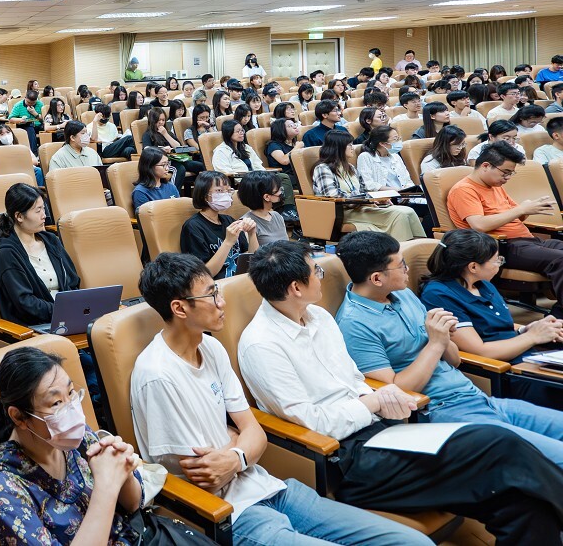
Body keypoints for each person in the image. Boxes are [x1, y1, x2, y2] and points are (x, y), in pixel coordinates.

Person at [240, 239, 563, 544]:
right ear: (296, 288)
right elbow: (313, 423)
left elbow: (354, 379)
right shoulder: (262, 345)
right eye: (316, 271)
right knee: (498, 442)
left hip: (386, 432)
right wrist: (373, 401)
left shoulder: (318, 317)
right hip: (350, 460)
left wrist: (382, 398)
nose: (321, 276)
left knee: (521, 505)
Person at [132, 252, 429, 546]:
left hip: (269, 487)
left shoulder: (211, 348)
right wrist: (240, 440)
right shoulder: (158, 376)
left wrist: (236, 449)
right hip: (231, 514)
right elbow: (207, 474)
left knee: (412, 542)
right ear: (179, 308)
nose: (222, 303)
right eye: (211, 295)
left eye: (217, 291)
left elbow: (254, 433)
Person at [335, 230, 563, 466]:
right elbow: (396, 393)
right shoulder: (355, 324)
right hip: (441, 410)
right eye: (401, 265)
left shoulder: (403, 295)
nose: (408, 269)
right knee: (555, 459)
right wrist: (435, 343)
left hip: (476, 396)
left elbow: (454, 361)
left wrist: (444, 337)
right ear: (376, 279)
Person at [0, 348, 187, 546]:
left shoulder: (75, 438)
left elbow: (133, 504)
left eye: (71, 392)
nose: (71, 409)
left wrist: (123, 471)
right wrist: (106, 486)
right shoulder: (3, 486)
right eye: (56, 403)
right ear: (19, 417)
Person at [419, 228, 563, 408]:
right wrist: (532, 337)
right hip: (503, 370)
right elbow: (480, 351)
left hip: (526, 356)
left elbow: (497, 325)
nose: (499, 264)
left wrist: (527, 329)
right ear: (473, 267)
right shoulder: (440, 295)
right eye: (496, 260)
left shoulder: (483, 285)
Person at [447, 141, 563, 319]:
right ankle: (559, 316)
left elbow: (516, 216)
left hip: (527, 241)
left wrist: (528, 209)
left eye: (511, 173)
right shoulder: (464, 190)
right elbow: (479, 225)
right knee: (561, 260)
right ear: (486, 166)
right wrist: (521, 209)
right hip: (501, 246)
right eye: (505, 172)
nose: (508, 178)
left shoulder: (495, 187)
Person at [0, 183, 83, 328]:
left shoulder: (51, 241)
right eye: (38, 211)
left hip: (66, 317)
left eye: (43, 208)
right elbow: (25, 303)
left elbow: (72, 282)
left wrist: (78, 308)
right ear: (19, 216)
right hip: (35, 326)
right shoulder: (8, 253)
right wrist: (63, 310)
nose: (44, 215)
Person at [313, 130, 425, 241]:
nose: (352, 148)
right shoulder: (323, 168)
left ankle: (420, 246)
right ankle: (402, 248)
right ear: (338, 147)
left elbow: (364, 190)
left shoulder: (351, 168)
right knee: (399, 215)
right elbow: (333, 196)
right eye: (349, 145)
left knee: (409, 211)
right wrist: (365, 200)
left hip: (360, 207)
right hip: (342, 213)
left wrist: (377, 199)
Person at [181, 171, 254, 278]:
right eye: (219, 190)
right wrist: (228, 242)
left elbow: (252, 260)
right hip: (217, 283)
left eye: (228, 190)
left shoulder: (229, 220)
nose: (225, 194)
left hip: (241, 279)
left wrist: (252, 233)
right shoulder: (193, 227)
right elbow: (204, 274)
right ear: (204, 195)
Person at [142, 105, 198, 189]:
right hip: (162, 162)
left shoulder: (168, 133)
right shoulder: (148, 134)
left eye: (163, 120)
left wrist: (165, 134)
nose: (161, 122)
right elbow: (146, 149)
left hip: (176, 158)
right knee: (180, 169)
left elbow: (178, 146)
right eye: (158, 120)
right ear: (153, 121)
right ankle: (173, 193)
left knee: (199, 166)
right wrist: (161, 149)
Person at [238, 171, 290, 247]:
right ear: (267, 197)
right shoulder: (246, 224)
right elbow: (251, 253)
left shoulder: (277, 216)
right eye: (278, 190)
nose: (281, 192)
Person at [130, 148, 179, 213]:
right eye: (163, 165)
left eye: (167, 164)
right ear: (149, 166)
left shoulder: (171, 186)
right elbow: (145, 217)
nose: (167, 168)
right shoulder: (140, 192)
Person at [8, 89, 44, 154]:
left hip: (38, 125)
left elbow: (45, 118)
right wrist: (20, 120)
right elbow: (11, 118)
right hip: (25, 125)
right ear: (25, 98)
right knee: (30, 129)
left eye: (33, 103)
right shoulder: (18, 105)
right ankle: (34, 153)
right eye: (28, 102)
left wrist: (35, 114)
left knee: (46, 127)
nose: (30, 104)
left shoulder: (40, 104)